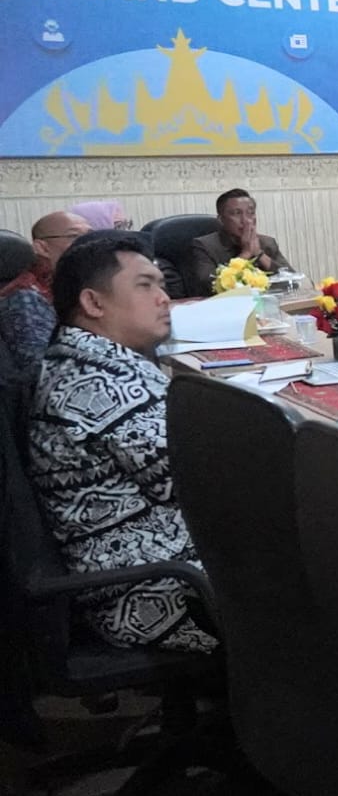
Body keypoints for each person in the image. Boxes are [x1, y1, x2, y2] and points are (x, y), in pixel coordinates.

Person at [28, 234, 215, 653]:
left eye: (161, 284)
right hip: (153, 592)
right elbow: (194, 482)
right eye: (145, 285)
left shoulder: (92, 359)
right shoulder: (97, 385)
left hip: (164, 558)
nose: (164, 297)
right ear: (94, 303)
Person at [0, 211, 90, 377]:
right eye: (75, 236)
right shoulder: (26, 299)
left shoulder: (77, 285)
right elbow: (41, 372)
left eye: (91, 235)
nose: (88, 243)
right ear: (42, 247)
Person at [187, 188, 292, 295]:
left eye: (251, 213)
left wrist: (260, 254)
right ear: (221, 219)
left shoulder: (267, 242)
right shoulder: (204, 246)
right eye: (237, 213)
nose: (246, 220)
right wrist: (246, 253)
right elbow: (209, 286)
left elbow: (292, 281)